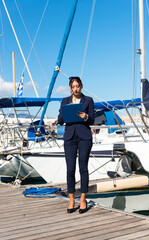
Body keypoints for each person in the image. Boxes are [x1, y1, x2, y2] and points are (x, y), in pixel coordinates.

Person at [58, 76, 94, 214]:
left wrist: (84, 116)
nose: (76, 89)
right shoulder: (65, 101)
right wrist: (63, 114)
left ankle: (83, 199)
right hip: (69, 137)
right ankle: (72, 199)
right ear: (70, 88)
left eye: (77, 86)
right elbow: (61, 120)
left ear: (81, 86)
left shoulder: (88, 100)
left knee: (83, 168)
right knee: (70, 170)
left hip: (84, 136)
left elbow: (92, 118)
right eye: (73, 87)